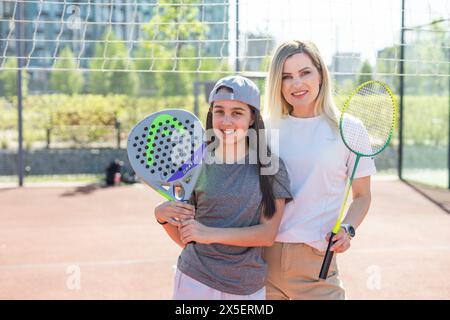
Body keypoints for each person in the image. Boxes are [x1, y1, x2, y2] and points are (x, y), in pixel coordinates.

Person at [154, 75, 292, 300]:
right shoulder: (195, 163)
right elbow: (186, 236)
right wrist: (162, 216)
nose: (226, 121)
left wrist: (209, 234)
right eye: (219, 111)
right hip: (194, 279)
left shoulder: (271, 166)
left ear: (251, 118)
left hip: (246, 286)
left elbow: (267, 235)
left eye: (237, 112)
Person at [262, 40, 376, 300]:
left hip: (317, 264)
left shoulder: (350, 129)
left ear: (321, 74)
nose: (296, 84)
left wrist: (348, 228)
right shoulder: (264, 130)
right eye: (286, 76)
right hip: (261, 261)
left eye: (305, 73)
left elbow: (363, 196)